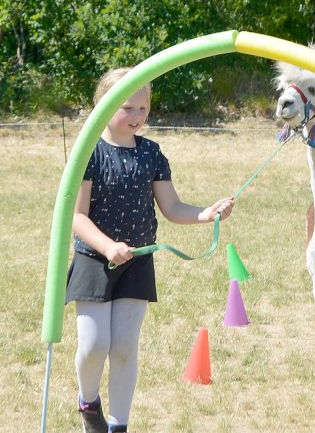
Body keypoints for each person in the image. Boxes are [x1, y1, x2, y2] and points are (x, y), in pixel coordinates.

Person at [66, 68, 235, 433]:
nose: (138, 116)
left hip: (137, 263)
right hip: (94, 261)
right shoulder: (89, 153)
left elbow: (172, 208)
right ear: (103, 106)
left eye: (144, 107)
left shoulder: (152, 154)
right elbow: (76, 217)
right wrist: (108, 247)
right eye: (128, 107)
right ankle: (88, 400)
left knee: (124, 347)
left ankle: (118, 426)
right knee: (95, 345)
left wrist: (206, 214)